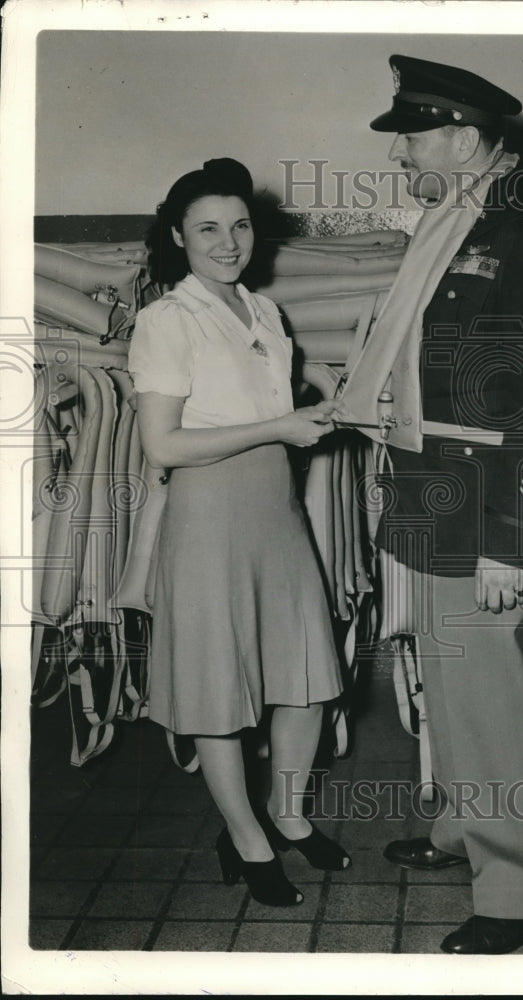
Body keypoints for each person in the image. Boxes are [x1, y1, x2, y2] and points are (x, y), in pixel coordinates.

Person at [340, 56, 523, 953]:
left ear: (465, 138)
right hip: (436, 495)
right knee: (448, 687)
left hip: (490, 513)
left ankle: (520, 890)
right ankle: (461, 829)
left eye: (413, 134)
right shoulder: (451, 228)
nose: (402, 151)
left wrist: (513, 543)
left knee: (491, 700)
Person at [128, 157, 351, 909]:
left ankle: (287, 815)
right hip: (208, 515)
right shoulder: (167, 320)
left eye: (240, 225)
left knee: (305, 680)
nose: (228, 241)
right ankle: (246, 837)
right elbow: (164, 445)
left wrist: (322, 402)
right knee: (217, 690)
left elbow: (268, 399)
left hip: (275, 512)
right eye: (208, 228)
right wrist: (280, 425)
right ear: (178, 236)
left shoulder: (262, 311)